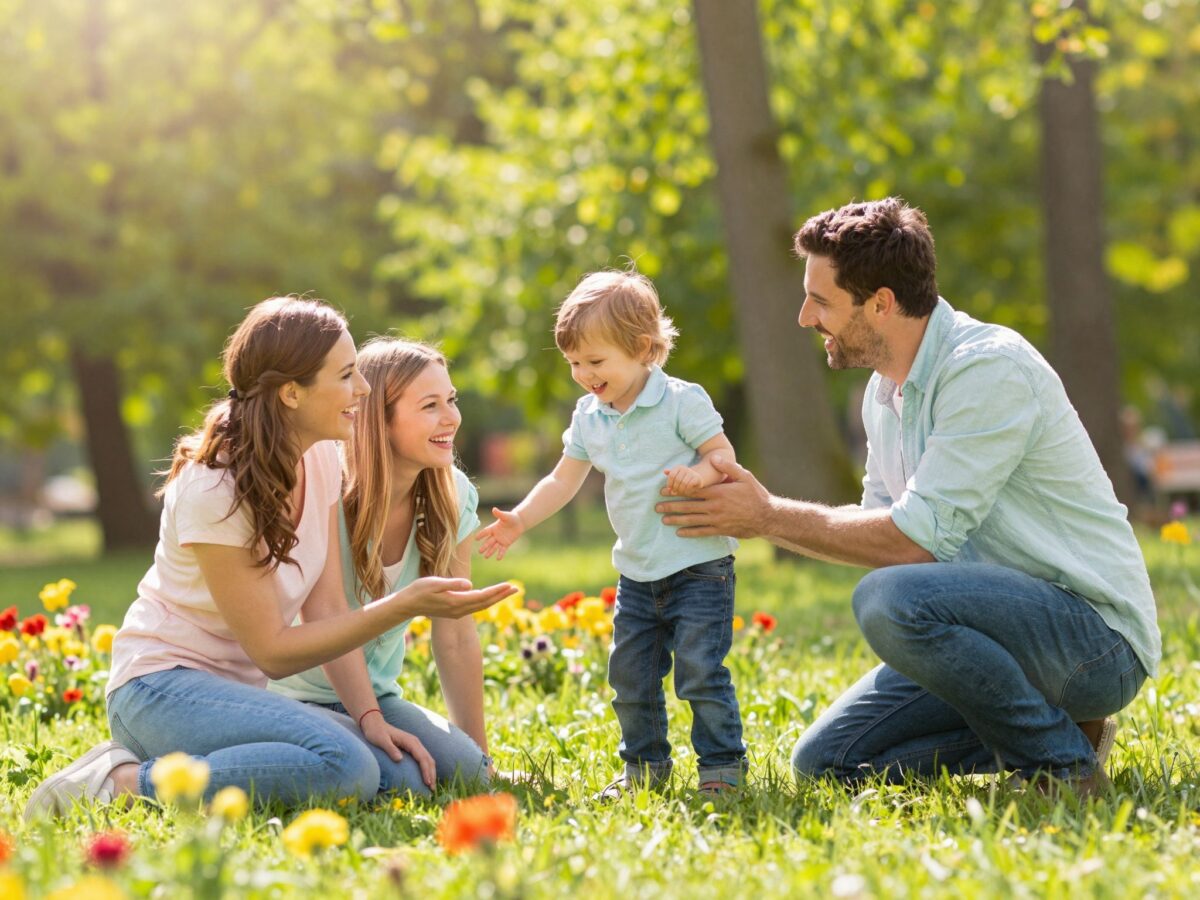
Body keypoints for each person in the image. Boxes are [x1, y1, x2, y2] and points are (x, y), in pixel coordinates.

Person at [656, 198, 1161, 794]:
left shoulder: (986, 371)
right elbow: (877, 526)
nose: (803, 317)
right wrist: (762, 515)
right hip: (994, 636)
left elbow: (909, 545)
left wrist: (766, 517)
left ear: (881, 303)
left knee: (890, 598)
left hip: (1092, 641)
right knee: (826, 763)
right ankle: (1069, 733)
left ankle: (1060, 767)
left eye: (820, 301)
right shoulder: (885, 393)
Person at [25, 297, 515, 819]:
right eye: (347, 375)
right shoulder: (213, 488)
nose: (363, 389)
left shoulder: (322, 457)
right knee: (346, 768)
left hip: (240, 695)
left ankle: (218, 761)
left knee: (404, 775)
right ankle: (119, 780)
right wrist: (402, 606)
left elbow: (327, 608)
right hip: (160, 689)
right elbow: (273, 653)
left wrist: (369, 714)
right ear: (291, 393)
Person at [476, 269, 747, 795]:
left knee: (700, 673)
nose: (583, 374)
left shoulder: (680, 401)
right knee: (631, 680)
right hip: (637, 572)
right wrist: (522, 518)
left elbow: (724, 456)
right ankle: (644, 769)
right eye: (575, 362)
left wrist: (703, 473)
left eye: (595, 362)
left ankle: (721, 769)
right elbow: (563, 479)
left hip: (700, 568)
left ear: (644, 349)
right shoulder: (589, 416)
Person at [270, 337, 493, 795]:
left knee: (465, 772)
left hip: (378, 698)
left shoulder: (454, 494)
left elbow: (454, 636)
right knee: (405, 780)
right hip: (290, 695)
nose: (452, 417)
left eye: (451, 400)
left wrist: (483, 762)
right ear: (379, 419)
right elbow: (324, 614)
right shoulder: (321, 486)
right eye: (430, 405)